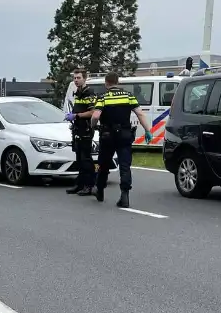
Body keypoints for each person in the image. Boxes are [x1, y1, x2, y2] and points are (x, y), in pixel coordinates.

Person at [91, 72, 154, 209]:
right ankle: (124, 196)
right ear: (118, 82)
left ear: (106, 83)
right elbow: (140, 113)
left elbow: (96, 115)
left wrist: (93, 125)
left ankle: (100, 190)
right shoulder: (129, 96)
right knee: (125, 165)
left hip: (107, 135)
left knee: (103, 164)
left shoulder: (103, 97)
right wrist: (148, 130)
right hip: (124, 135)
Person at [63, 68, 97, 196]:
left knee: (86, 158)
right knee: (79, 158)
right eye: (74, 78)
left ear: (85, 78)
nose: (76, 80)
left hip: (86, 129)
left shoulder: (89, 92)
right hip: (78, 129)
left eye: (78, 78)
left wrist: (76, 116)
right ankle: (80, 184)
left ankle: (90, 186)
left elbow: (93, 112)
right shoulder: (77, 92)